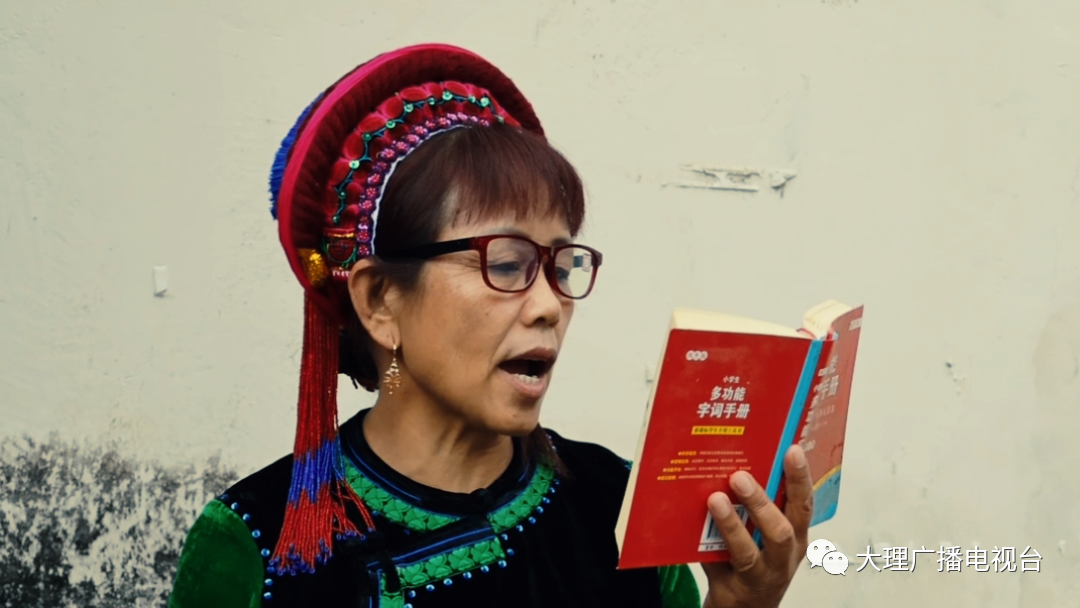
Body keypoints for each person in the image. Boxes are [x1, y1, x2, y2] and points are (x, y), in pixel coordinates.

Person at [168, 44, 812, 608]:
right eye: (506, 263)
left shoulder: (614, 503)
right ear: (380, 300)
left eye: (561, 265)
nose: (548, 305)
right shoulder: (255, 540)